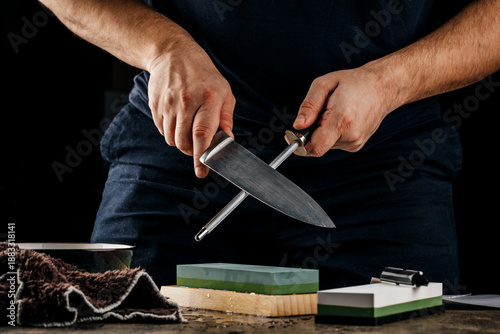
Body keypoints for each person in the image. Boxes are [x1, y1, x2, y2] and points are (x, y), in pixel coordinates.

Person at [39, 0, 500, 290]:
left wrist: (389, 84)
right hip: (182, 147)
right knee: (114, 310)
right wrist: (161, 48)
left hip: (383, 168)